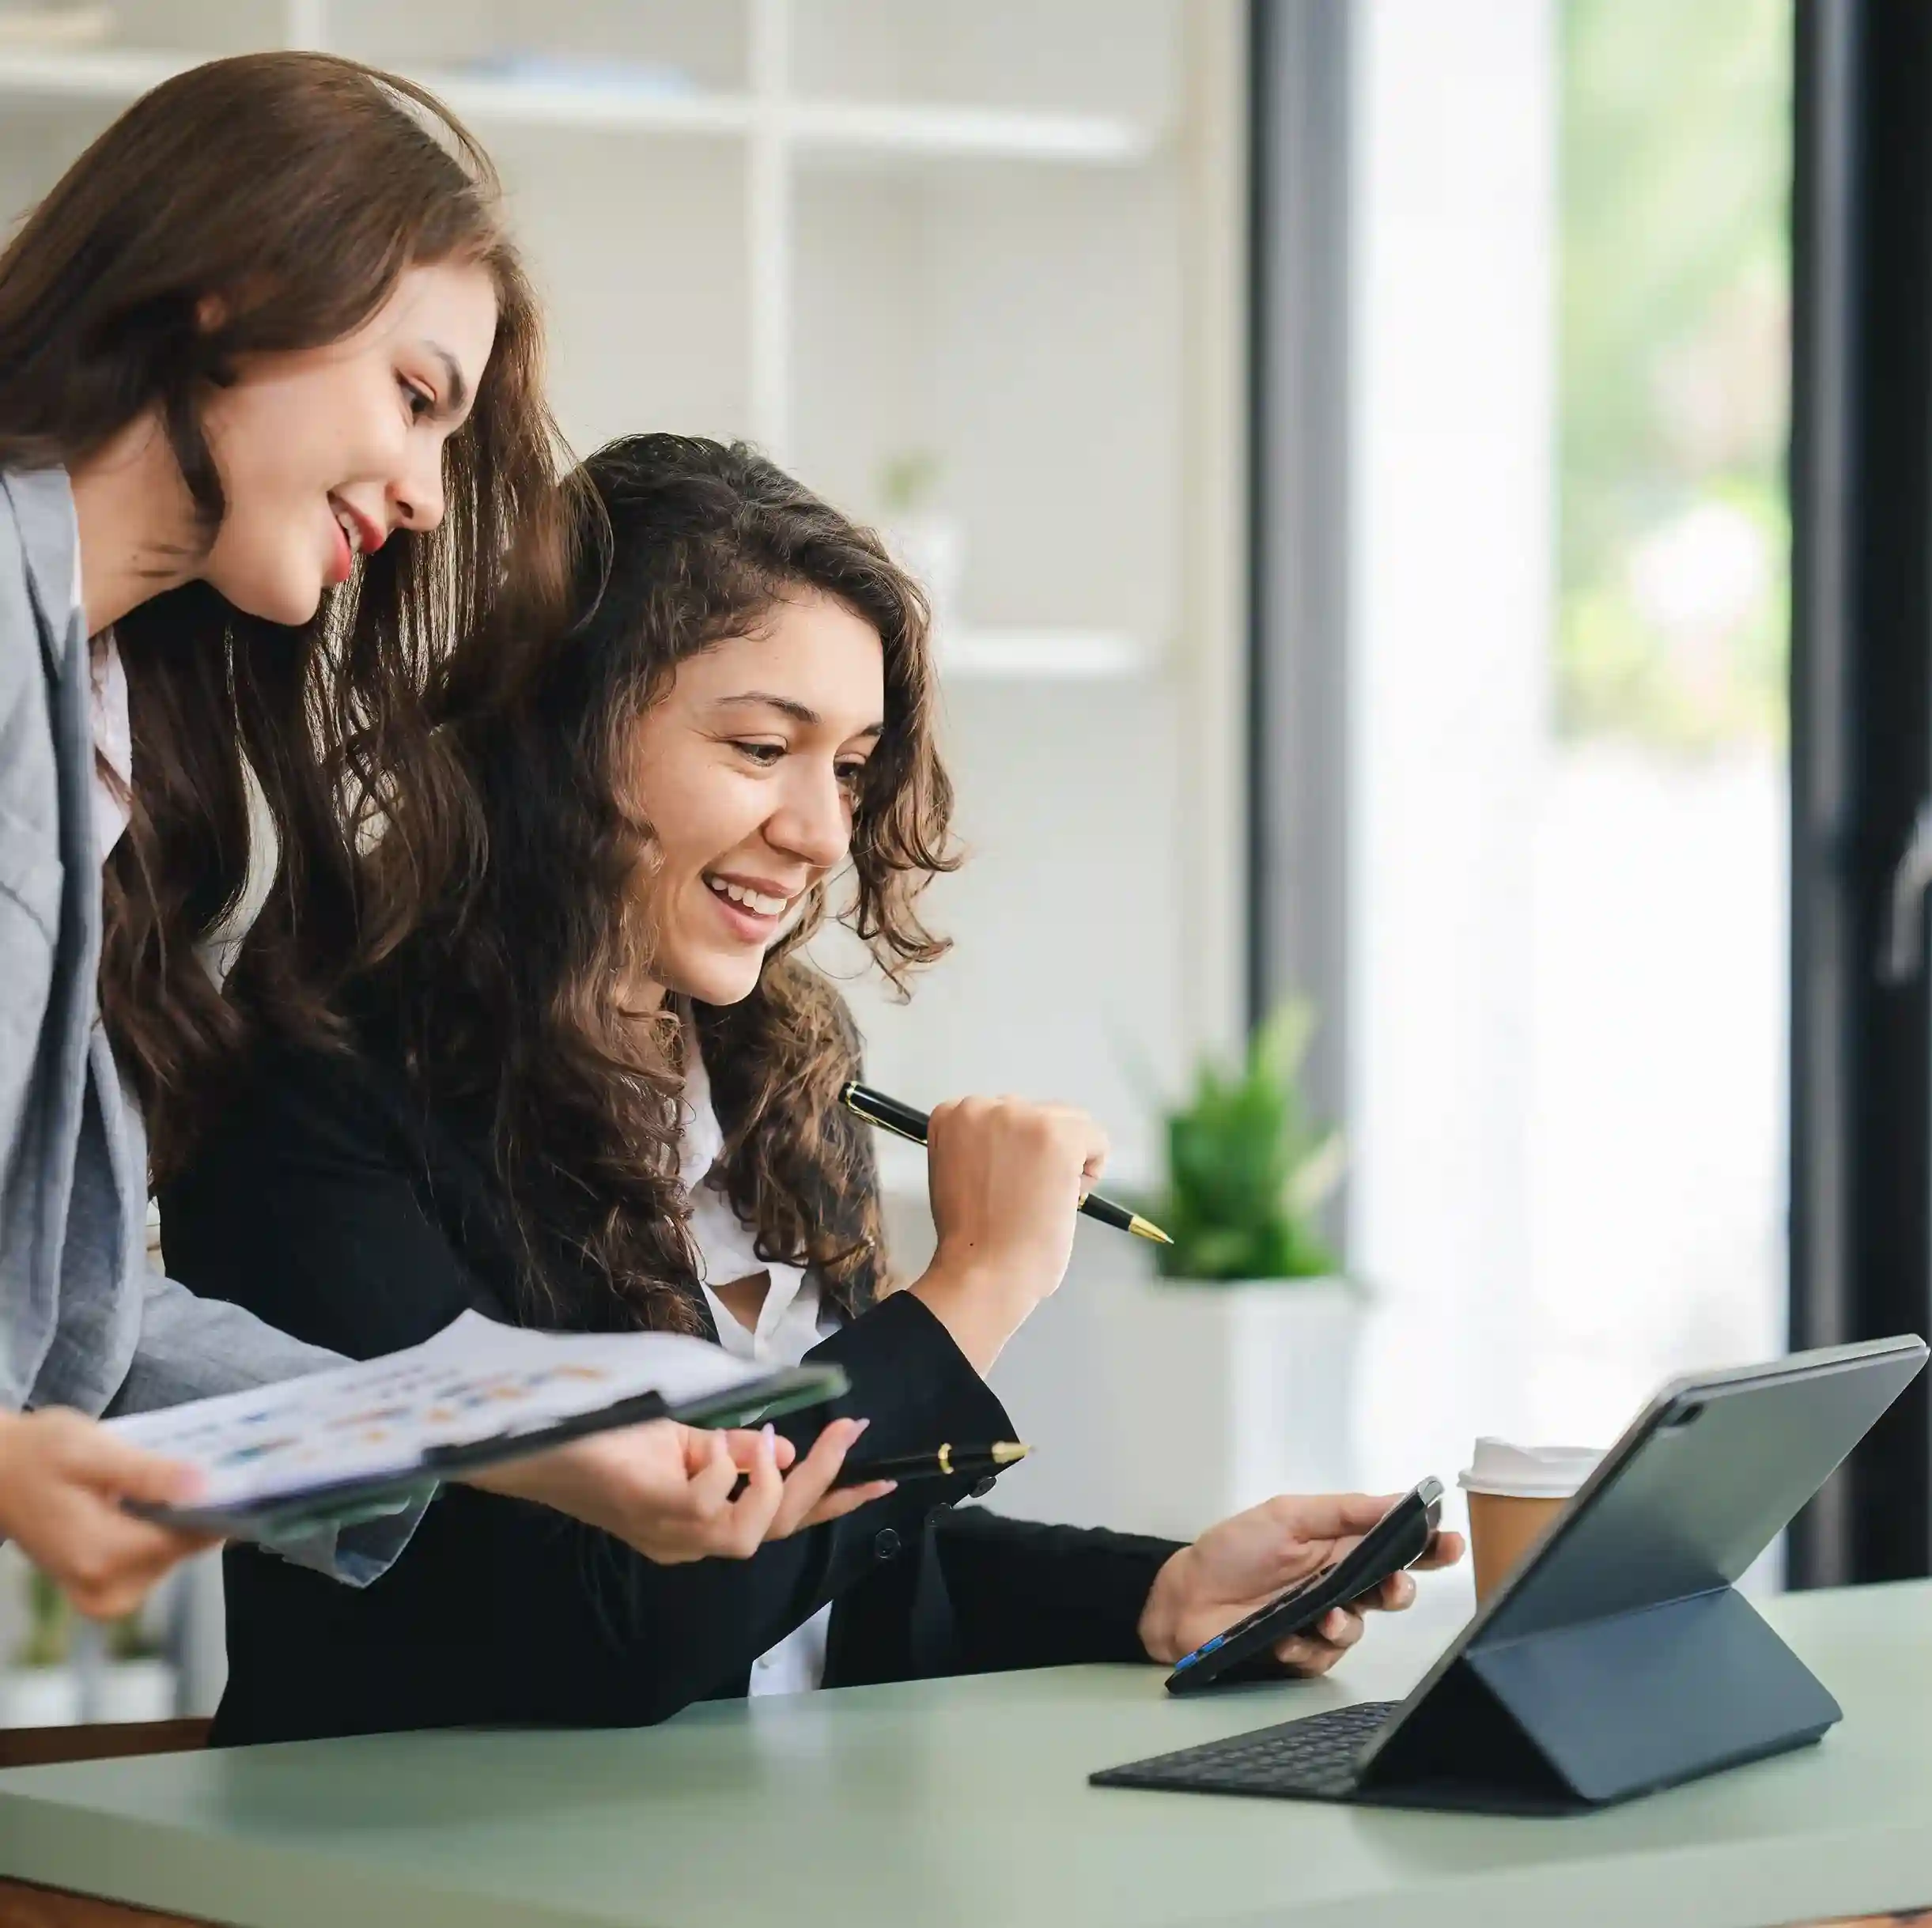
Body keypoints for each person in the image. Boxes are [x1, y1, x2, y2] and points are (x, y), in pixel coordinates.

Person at [162, 433, 1463, 1743]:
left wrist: (1159, 1591)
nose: (823, 832)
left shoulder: (779, 1072)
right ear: (556, 724)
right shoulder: (310, 1088)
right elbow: (592, 1629)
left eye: (846, 766)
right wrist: (972, 1288)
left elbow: (832, 1565)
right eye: (759, 746)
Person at [0, 58, 871, 1624]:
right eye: (415, 398)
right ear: (227, 292)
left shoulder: (104, 725)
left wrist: (534, 1444)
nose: (421, 497)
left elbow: (80, 1331)